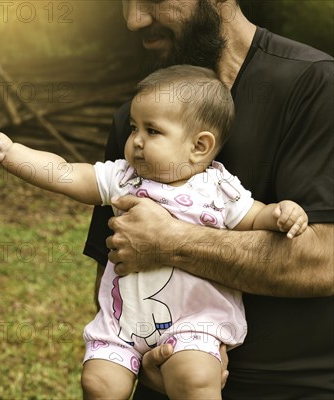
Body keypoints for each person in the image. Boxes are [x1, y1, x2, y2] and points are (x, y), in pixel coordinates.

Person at [0, 65, 309, 399]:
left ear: (200, 146)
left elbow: (255, 217)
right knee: (99, 383)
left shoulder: (218, 189)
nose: (136, 141)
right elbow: (67, 174)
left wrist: (282, 212)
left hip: (194, 324)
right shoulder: (124, 177)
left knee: (194, 378)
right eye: (133, 128)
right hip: (124, 325)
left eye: (152, 131)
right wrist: (11, 154)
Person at [85, 1, 334, 398]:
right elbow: (114, 270)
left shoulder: (315, 83)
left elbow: (325, 260)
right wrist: (145, 355)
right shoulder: (138, 126)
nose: (134, 20)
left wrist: (171, 242)